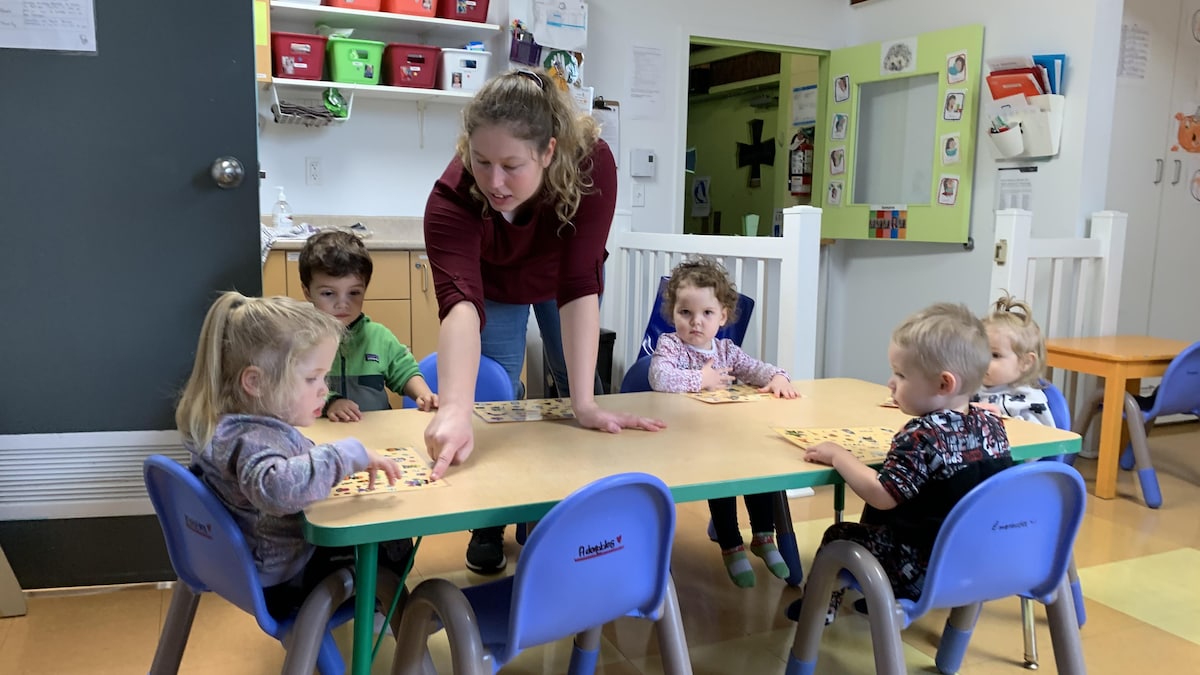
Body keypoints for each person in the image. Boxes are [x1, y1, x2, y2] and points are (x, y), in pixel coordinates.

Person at [422, 67, 666, 574]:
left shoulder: (592, 165)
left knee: (582, 402)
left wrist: (584, 402)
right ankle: (489, 519)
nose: (494, 181)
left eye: (512, 165)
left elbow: (580, 282)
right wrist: (454, 409)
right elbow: (460, 303)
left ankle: (572, 511)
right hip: (496, 286)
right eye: (481, 161)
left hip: (562, 279)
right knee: (495, 395)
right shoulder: (450, 197)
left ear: (550, 151)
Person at [176, 292, 412, 617]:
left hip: (245, 567)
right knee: (391, 544)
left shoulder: (229, 426)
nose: (324, 389)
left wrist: (334, 460)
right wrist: (344, 455)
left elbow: (289, 459)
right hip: (287, 578)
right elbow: (279, 489)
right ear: (255, 382)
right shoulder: (256, 439)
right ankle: (402, 620)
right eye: (312, 378)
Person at [785, 302, 1012, 623]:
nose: (891, 383)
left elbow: (880, 494)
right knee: (883, 517)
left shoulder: (921, 434)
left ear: (944, 384)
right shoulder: (992, 424)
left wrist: (840, 455)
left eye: (901, 375)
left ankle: (819, 609)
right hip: (979, 562)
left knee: (838, 534)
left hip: (920, 572)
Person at [648, 258, 798, 587]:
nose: (695, 322)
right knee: (721, 474)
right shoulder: (670, 345)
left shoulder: (728, 350)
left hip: (727, 439)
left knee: (762, 465)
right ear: (673, 313)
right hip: (684, 443)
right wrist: (699, 378)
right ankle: (730, 544)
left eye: (706, 314)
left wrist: (778, 377)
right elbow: (658, 376)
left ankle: (763, 537)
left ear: (723, 316)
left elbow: (758, 369)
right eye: (685, 312)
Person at [297, 230, 437, 420]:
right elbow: (294, 386)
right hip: (321, 436)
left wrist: (423, 394)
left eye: (353, 293)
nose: (342, 304)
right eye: (328, 294)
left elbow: (405, 372)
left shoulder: (379, 336)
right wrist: (331, 402)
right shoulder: (299, 340)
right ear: (307, 292)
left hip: (375, 437)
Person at [973, 294, 1055, 427]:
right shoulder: (970, 388)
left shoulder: (1028, 400)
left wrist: (1002, 422)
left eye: (995, 355)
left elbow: (1041, 440)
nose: (983, 360)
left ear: (1025, 362)